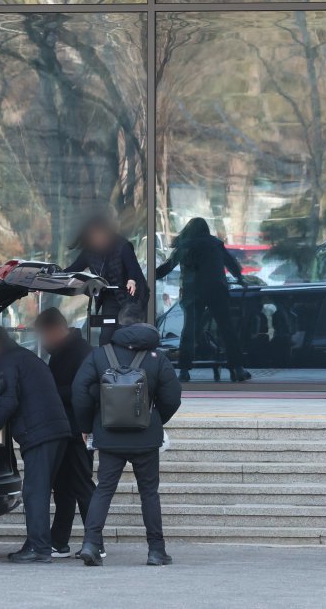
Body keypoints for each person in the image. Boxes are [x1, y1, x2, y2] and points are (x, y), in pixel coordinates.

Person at [72, 305, 182, 567]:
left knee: (104, 490)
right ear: (142, 324)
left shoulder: (100, 355)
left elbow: (79, 391)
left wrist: (87, 424)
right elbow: (172, 397)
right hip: (145, 438)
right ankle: (156, 551)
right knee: (149, 494)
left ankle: (91, 544)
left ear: (120, 325)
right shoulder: (157, 357)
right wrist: (154, 419)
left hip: (109, 436)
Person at [0, 326, 72, 564]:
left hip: (40, 432)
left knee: (34, 492)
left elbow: (8, 401)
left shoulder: (5, 361)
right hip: (57, 430)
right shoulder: (26, 357)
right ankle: (36, 542)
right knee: (40, 489)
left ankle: (39, 548)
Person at [32, 307, 96, 558]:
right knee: (64, 488)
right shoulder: (65, 351)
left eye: (44, 335)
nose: (43, 342)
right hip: (64, 429)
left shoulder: (79, 353)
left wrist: (50, 392)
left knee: (81, 485)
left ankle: (95, 541)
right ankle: (59, 541)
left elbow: (84, 393)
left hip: (77, 430)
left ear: (56, 330)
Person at [156, 217, 251, 382]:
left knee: (189, 330)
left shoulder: (185, 245)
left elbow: (169, 265)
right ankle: (238, 368)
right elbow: (230, 263)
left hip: (193, 291)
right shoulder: (215, 243)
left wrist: (150, 276)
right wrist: (240, 279)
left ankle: (184, 370)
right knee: (226, 329)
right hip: (216, 290)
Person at [64, 215, 149, 345]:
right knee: (106, 335)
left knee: (127, 332)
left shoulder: (122, 246)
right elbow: (73, 269)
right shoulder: (89, 252)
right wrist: (51, 277)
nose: (97, 240)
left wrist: (131, 280)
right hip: (110, 296)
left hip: (132, 296)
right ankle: (108, 362)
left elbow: (133, 268)